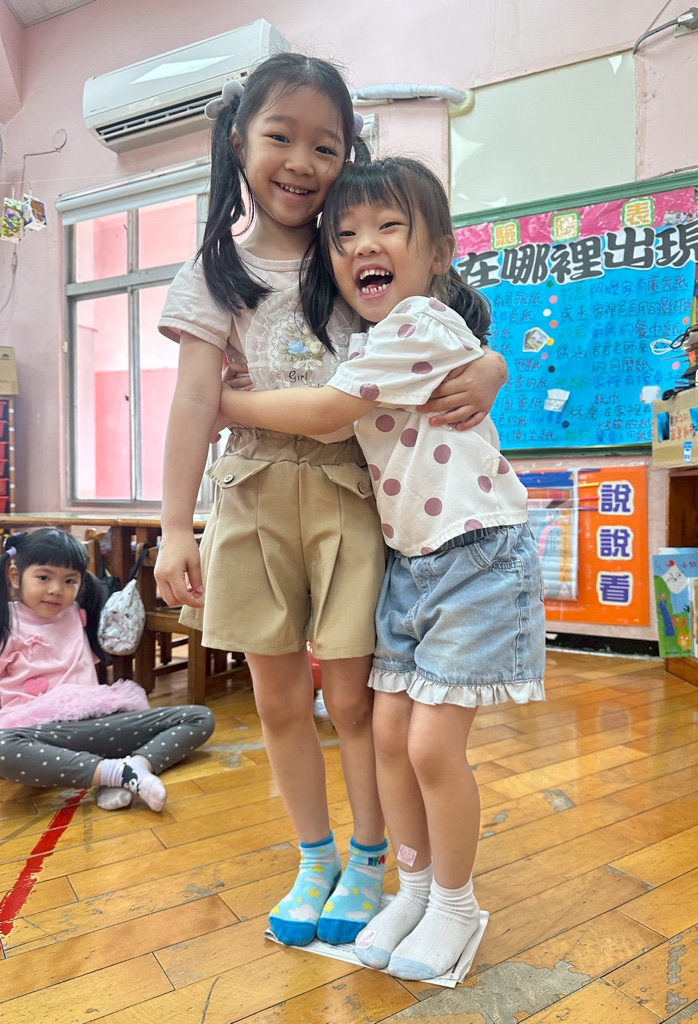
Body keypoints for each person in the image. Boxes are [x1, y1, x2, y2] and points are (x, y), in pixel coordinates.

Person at [155, 53, 507, 947]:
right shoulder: (214, 272)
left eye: (327, 144)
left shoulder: (353, 249)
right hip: (250, 497)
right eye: (281, 137)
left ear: (349, 154)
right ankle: (314, 857)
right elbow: (192, 402)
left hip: (354, 495)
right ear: (239, 142)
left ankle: (370, 857)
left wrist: (493, 368)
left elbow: (455, 323)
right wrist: (173, 528)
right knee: (277, 701)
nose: (302, 162)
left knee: (352, 702)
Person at [216, 155, 547, 980]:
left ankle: (456, 904)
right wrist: (493, 362)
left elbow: (328, 414)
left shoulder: (418, 325)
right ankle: (417, 887)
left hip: (476, 556)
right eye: (346, 234)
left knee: (429, 747)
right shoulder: (375, 340)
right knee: (390, 737)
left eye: (389, 228)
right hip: (413, 561)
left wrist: (219, 401)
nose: (364, 244)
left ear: (439, 253)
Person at [0, 529, 215, 812]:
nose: (56, 589)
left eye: (69, 581)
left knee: (200, 717)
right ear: (15, 576)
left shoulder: (78, 613)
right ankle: (115, 772)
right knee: (2, 747)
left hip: (98, 725)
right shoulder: (7, 622)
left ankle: (130, 769)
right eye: (43, 577)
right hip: (40, 735)